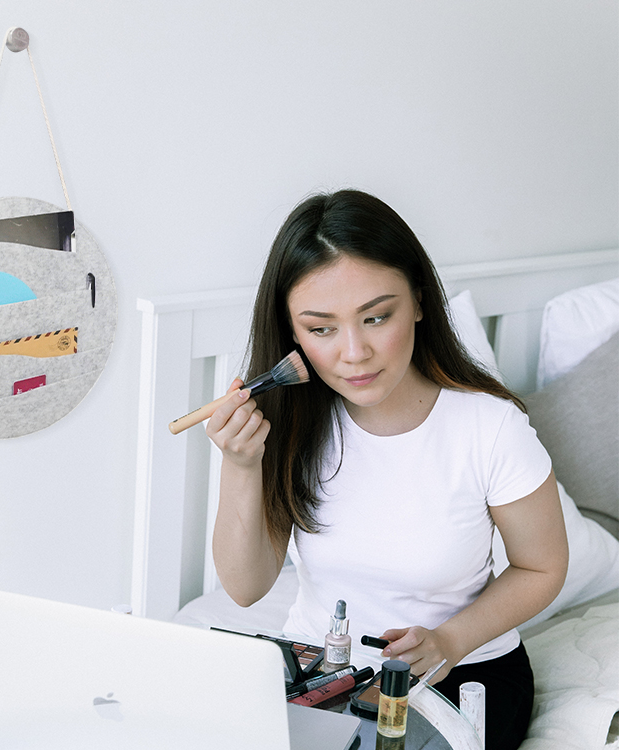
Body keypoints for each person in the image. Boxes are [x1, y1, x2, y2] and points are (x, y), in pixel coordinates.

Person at [206, 190, 568, 750]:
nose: (354, 351)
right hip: (321, 670)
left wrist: (449, 640)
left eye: (377, 317)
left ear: (419, 302)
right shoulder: (290, 424)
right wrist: (239, 463)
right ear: (293, 334)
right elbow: (246, 588)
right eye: (321, 328)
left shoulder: (490, 428)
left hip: (462, 672)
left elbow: (542, 567)